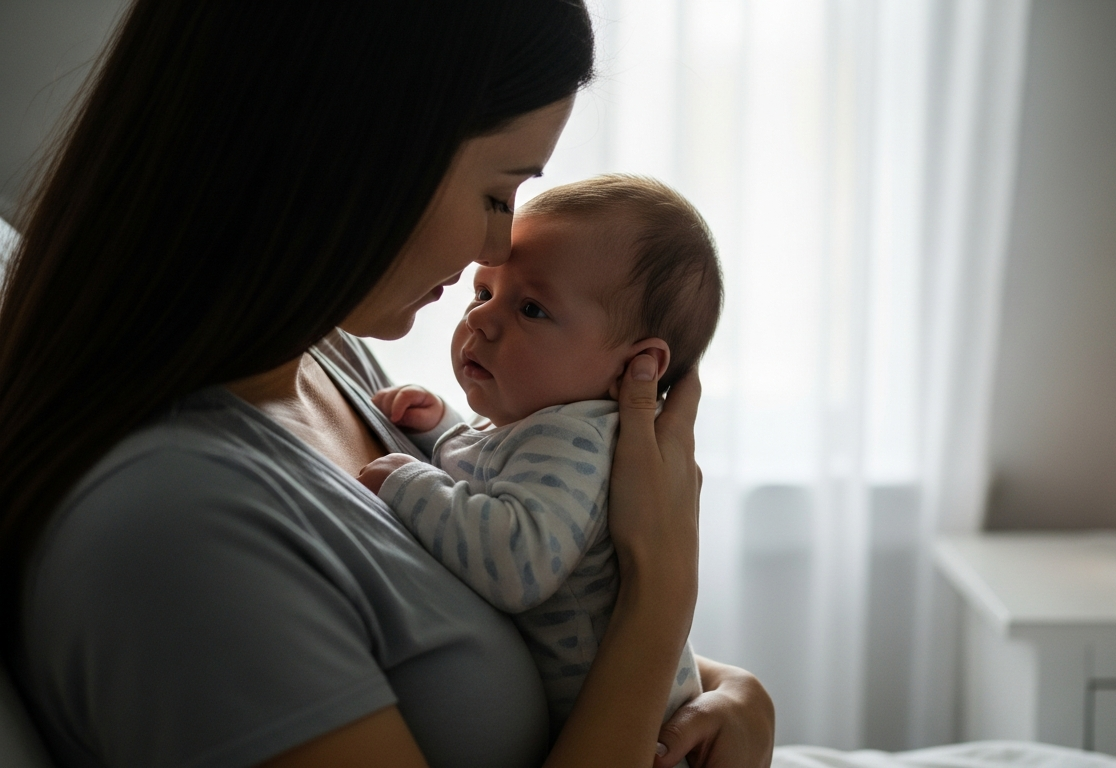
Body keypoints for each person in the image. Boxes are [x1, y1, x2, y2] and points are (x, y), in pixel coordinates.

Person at [0, 2, 773, 767]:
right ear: (358, 151)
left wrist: (729, 690)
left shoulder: (318, 357)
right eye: (498, 193)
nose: (495, 248)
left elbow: (531, 622)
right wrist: (662, 589)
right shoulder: (177, 534)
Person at [354, 175, 723, 746]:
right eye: (482, 294)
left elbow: (516, 558)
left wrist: (408, 483)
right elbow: (499, 474)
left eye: (531, 308)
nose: (479, 319)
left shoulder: (576, 441)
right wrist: (444, 428)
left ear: (635, 367)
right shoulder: (550, 428)